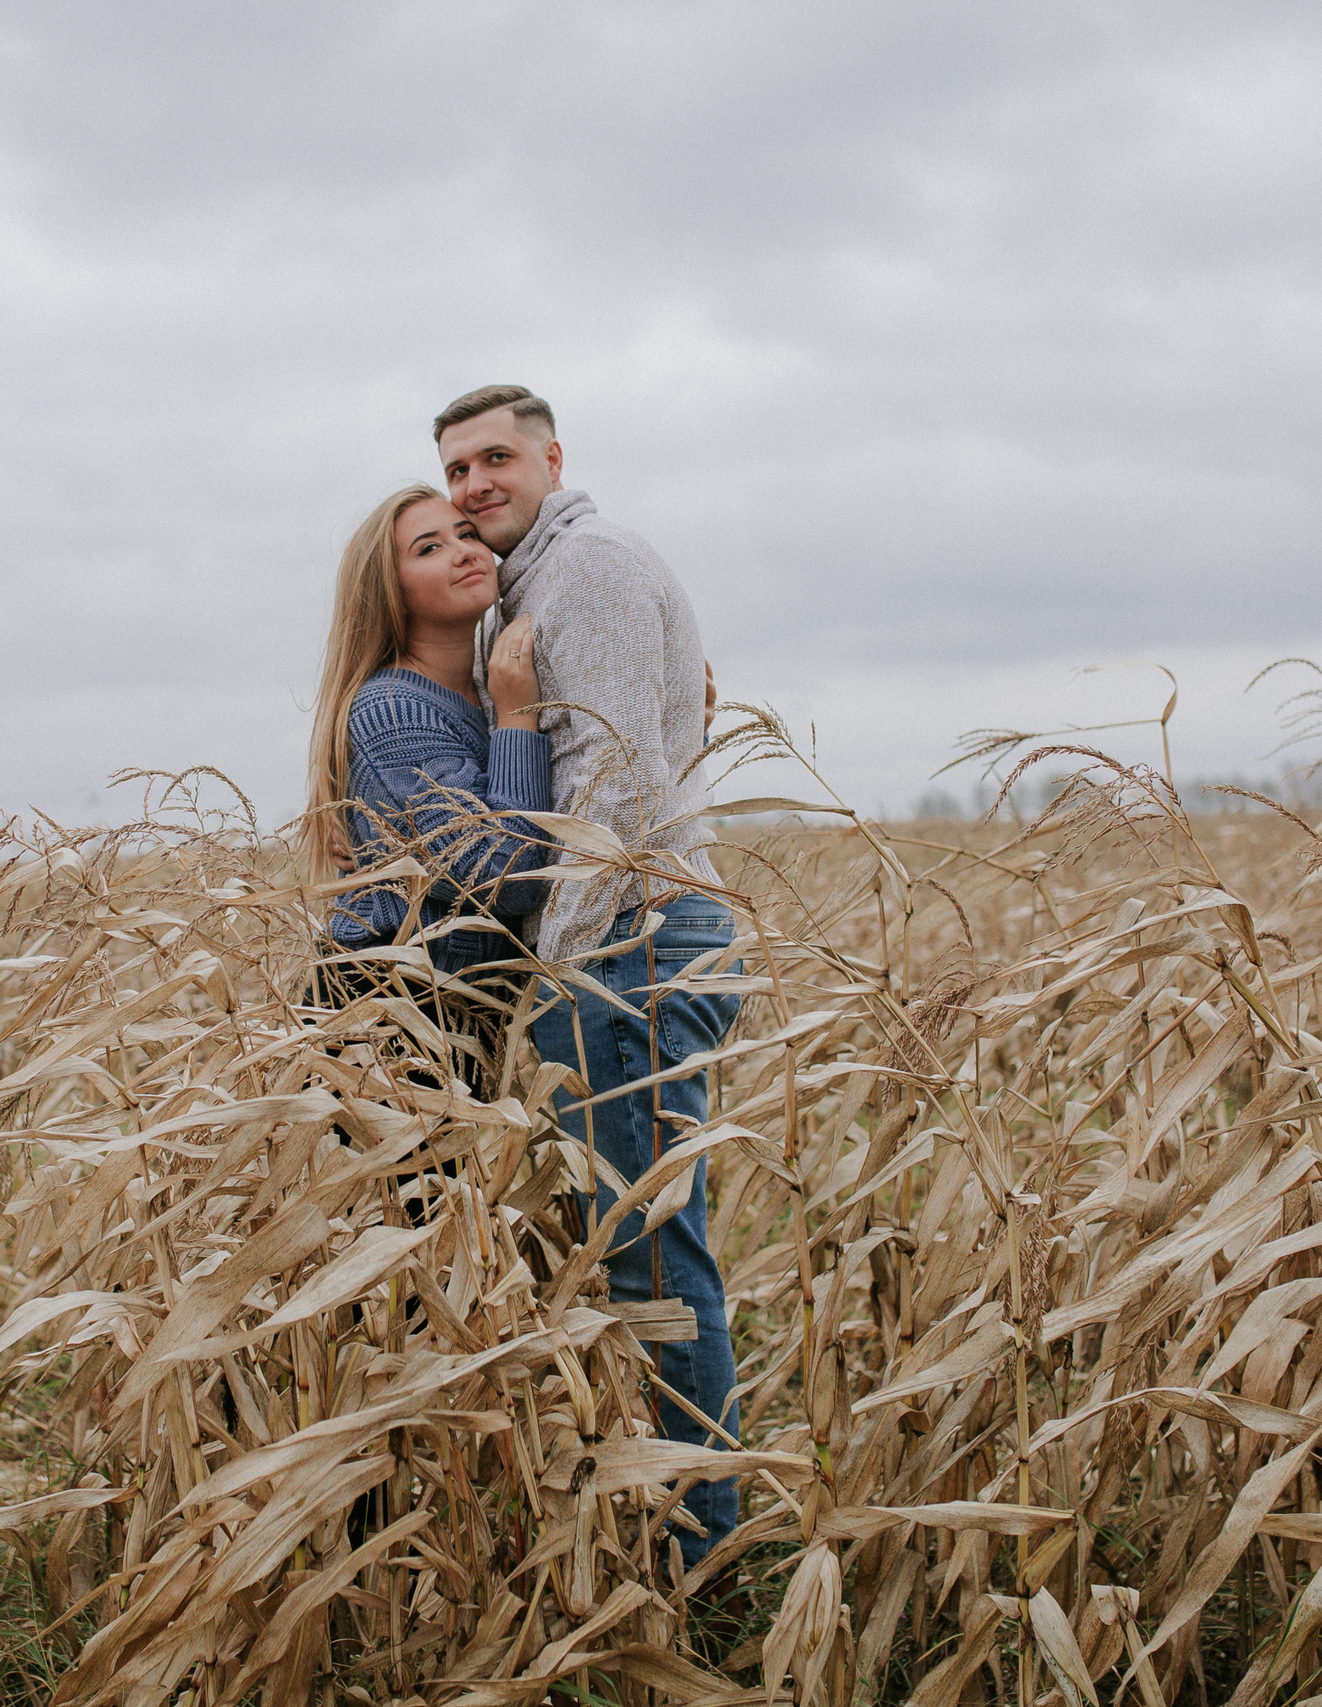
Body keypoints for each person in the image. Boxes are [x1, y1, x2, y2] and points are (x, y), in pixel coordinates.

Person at [433, 384, 745, 1574]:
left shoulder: (591, 566)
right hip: (630, 937)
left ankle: (697, 1561)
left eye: (495, 459)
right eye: (457, 470)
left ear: (551, 458)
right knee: (638, 1255)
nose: (474, 487)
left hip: (632, 944)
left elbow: (610, 787)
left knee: (657, 1265)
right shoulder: (539, 581)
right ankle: (669, 1529)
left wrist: (556, 972)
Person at [302, 483, 555, 1096]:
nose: (465, 551)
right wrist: (519, 714)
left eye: (467, 535)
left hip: (455, 1006)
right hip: (395, 1006)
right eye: (430, 547)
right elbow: (505, 873)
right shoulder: (395, 709)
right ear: (390, 589)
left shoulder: (473, 693)